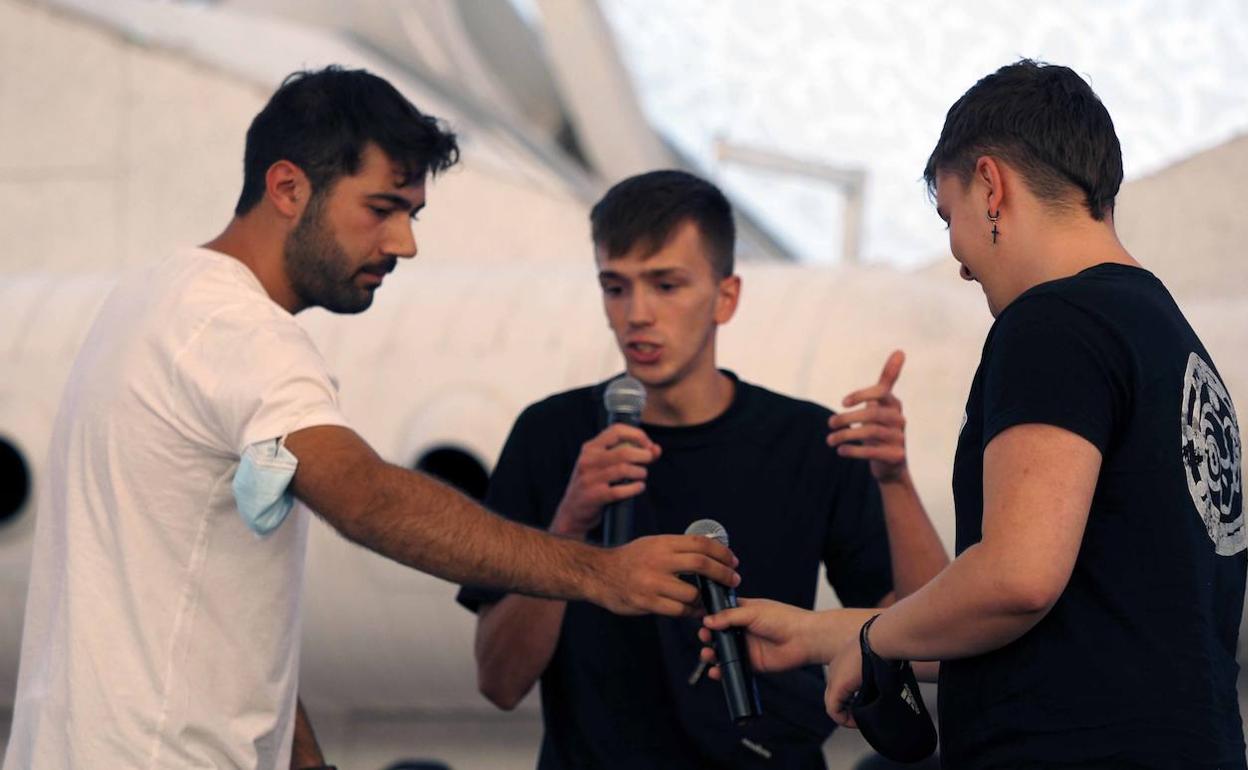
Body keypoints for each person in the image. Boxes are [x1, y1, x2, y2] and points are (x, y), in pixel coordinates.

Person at [1, 67, 739, 770]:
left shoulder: (154, 300)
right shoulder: (240, 330)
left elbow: (206, 604)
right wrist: (600, 572)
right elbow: (365, 496)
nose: (404, 244)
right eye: (382, 209)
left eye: (411, 215)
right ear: (288, 188)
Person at [700, 59, 1246, 769]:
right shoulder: (1170, 341)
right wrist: (826, 633)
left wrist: (871, 642)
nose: (955, 257)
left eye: (947, 215)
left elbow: (1018, 579)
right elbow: (1081, 630)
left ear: (991, 186)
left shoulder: (1053, 322)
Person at [456, 170, 948, 768]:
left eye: (666, 285)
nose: (638, 314)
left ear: (726, 296)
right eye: (616, 288)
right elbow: (499, 681)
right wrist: (570, 523)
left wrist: (895, 480)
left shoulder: (803, 441)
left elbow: (928, 640)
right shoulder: (551, 435)